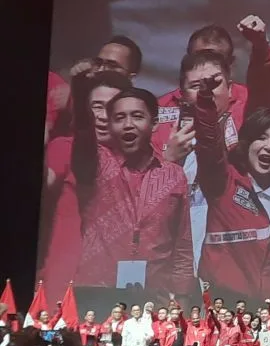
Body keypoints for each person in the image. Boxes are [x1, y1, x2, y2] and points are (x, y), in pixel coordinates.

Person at [69, 85, 194, 308]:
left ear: (154, 124)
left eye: (137, 116)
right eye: (119, 118)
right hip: (96, 292)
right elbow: (83, 135)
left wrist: (183, 297)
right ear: (109, 125)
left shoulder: (173, 175)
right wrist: (80, 90)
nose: (128, 124)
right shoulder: (97, 164)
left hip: (152, 294)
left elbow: (182, 243)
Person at [194, 73, 270, 302]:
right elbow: (208, 145)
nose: (269, 146)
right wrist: (205, 103)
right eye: (261, 138)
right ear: (247, 143)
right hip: (227, 307)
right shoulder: (223, 184)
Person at [39, 69, 133, 305]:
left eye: (112, 108)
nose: (102, 116)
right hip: (64, 281)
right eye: (96, 106)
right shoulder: (65, 147)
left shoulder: (140, 162)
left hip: (116, 287)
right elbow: (47, 182)